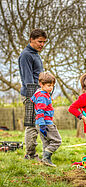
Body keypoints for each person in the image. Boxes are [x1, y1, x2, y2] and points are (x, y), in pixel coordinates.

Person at [18, 29, 47, 161]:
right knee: (32, 125)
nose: (42, 44)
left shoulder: (35, 54)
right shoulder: (26, 55)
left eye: (44, 42)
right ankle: (30, 155)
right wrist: (35, 97)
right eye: (39, 41)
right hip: (31, 95)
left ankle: (33, 154)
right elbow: (28, 80)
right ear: (31, 39)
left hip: (39, 94)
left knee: (38, 123)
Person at [30, 72, 62, 167]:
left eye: (52, 85)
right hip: (45, 122)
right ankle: (46, 157)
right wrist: (42, 124)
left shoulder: (40, 93)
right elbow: (40, 110)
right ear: (41, 84)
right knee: (57, 140)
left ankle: (45, 162)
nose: (51, 88)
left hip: (40, 122)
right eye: (48, 85)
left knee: (46, 142)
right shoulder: (42, 96)